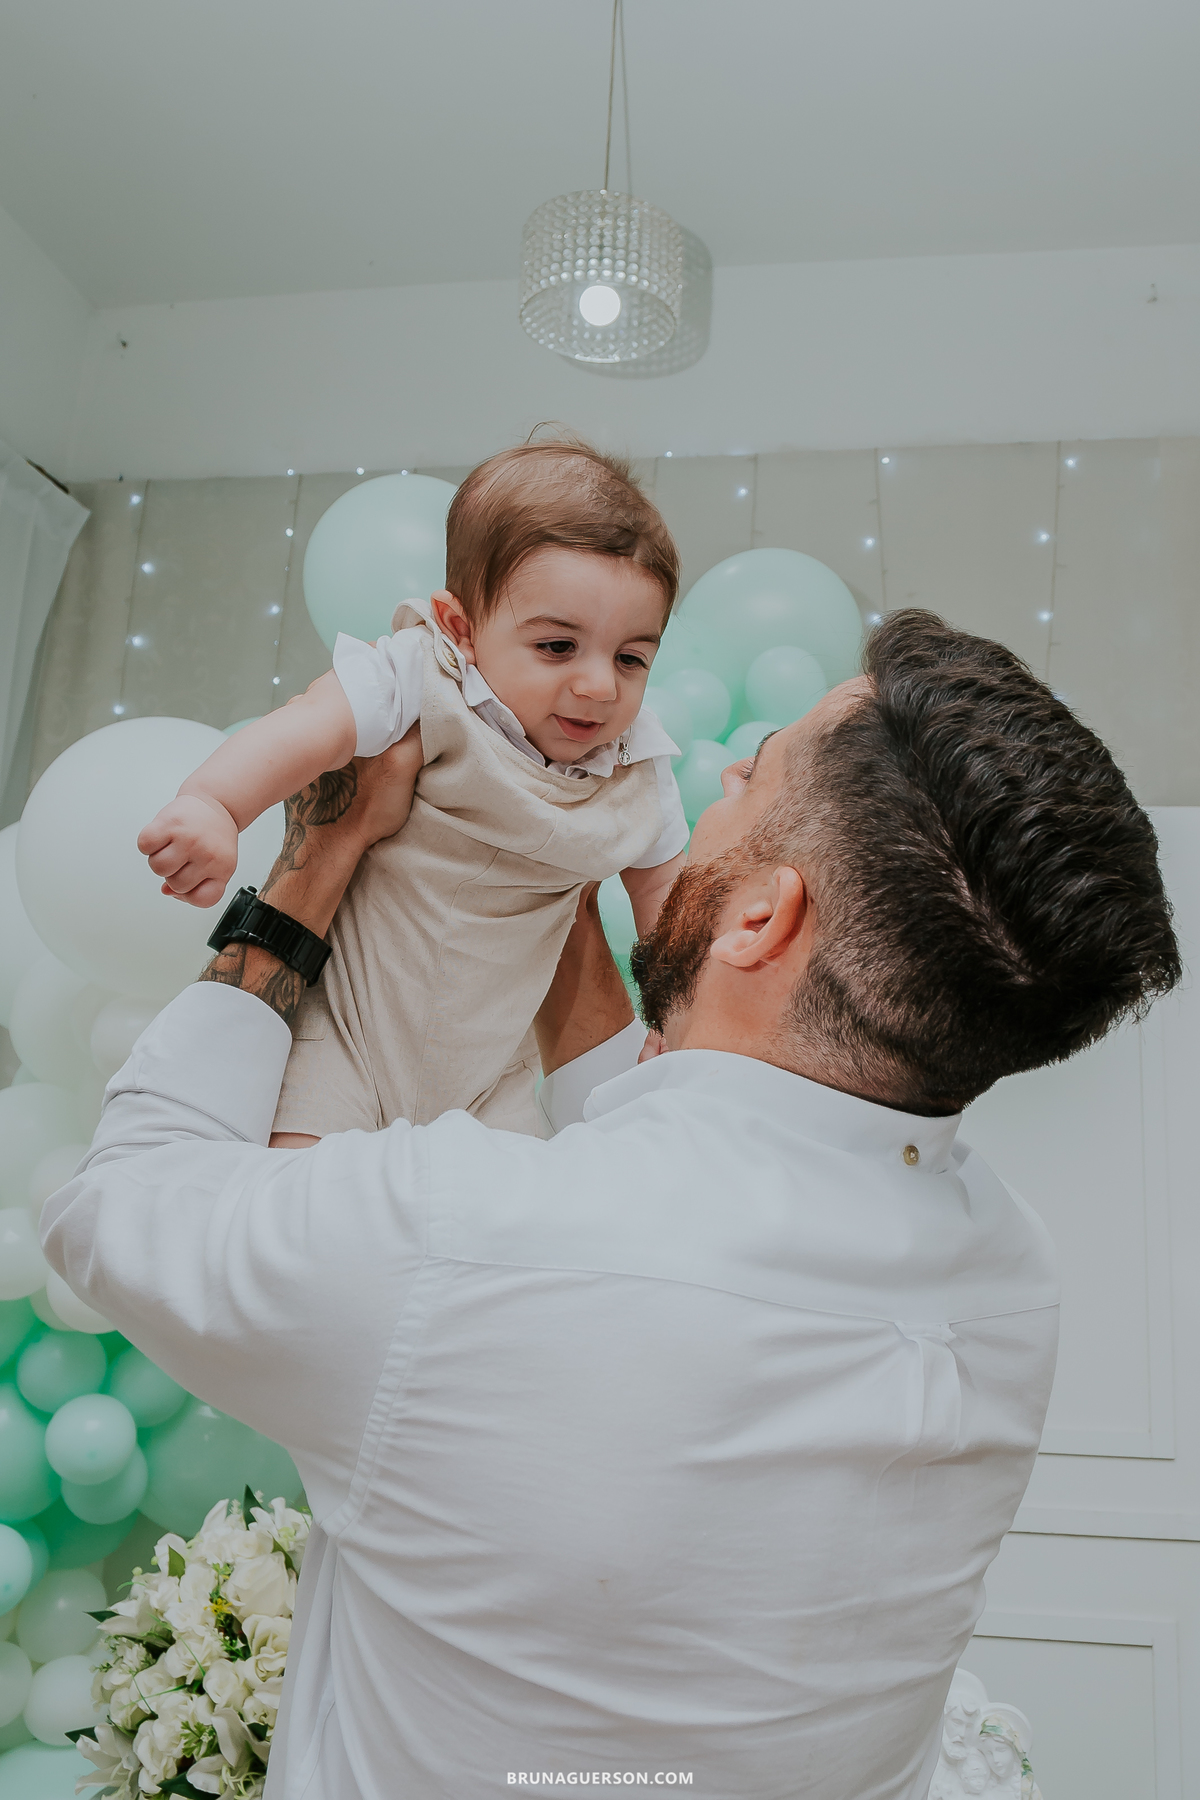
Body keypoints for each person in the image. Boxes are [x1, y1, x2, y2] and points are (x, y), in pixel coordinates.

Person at [43, 612, 1179, 1800]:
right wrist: (541, 863)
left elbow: (124, 1195)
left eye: (753, 775)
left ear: (762, 919)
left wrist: (319, 856)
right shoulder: (1011, 1283)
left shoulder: (456, 1240)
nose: (718, 785)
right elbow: (657, 1174)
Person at [136, 440, 689, 1141]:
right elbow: (310, 726)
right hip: (347, 1037)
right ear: (461, 629)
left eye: (631, 658)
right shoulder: (423, 673)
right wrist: (216, 804)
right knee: (302, 1187)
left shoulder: (638, 759)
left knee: (500, 1195)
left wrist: (681, 1014)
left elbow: (667, 895)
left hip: (492, 1074)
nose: (599, 686)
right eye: (557, 647)